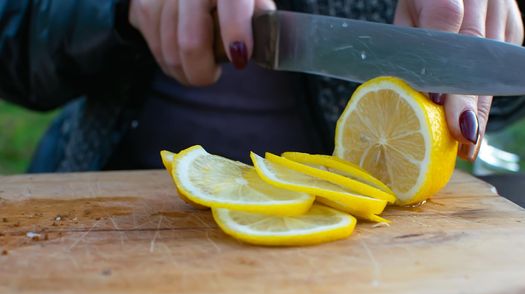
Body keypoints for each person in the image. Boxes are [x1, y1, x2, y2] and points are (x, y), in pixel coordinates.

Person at [0, 0, 523, 173]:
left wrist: (492, 40)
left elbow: (492, 110)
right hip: (119, 212)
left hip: (357, 248)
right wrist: (118, 9)